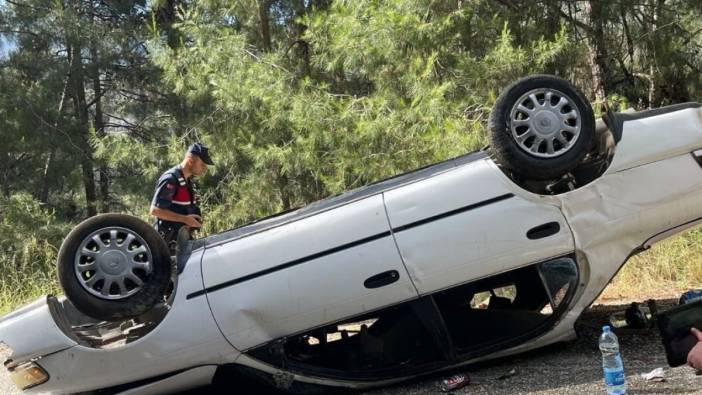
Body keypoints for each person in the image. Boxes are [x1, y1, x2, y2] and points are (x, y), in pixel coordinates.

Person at [150, 143, 214, 255]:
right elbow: (155, 210)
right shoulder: (170, 179)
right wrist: (185, 219)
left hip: (182, 241)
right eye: (202, 164)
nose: (205, 169)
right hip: (167, 245)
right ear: (190, 160)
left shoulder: (187, 181)